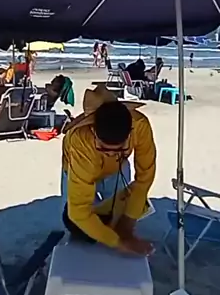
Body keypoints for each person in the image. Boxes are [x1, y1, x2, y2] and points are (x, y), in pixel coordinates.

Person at [61, 86, 156, 254]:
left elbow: (144, 178)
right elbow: (79, 212)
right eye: (104, 148)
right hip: (80, 169)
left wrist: (129, 221)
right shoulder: (80, 140)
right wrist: (118, 243)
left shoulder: (140, 126)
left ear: (130, 133)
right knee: (79, 229)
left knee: (117, 221)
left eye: (118, 149)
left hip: (117, 169)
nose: (111, 153)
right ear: (93, 131)